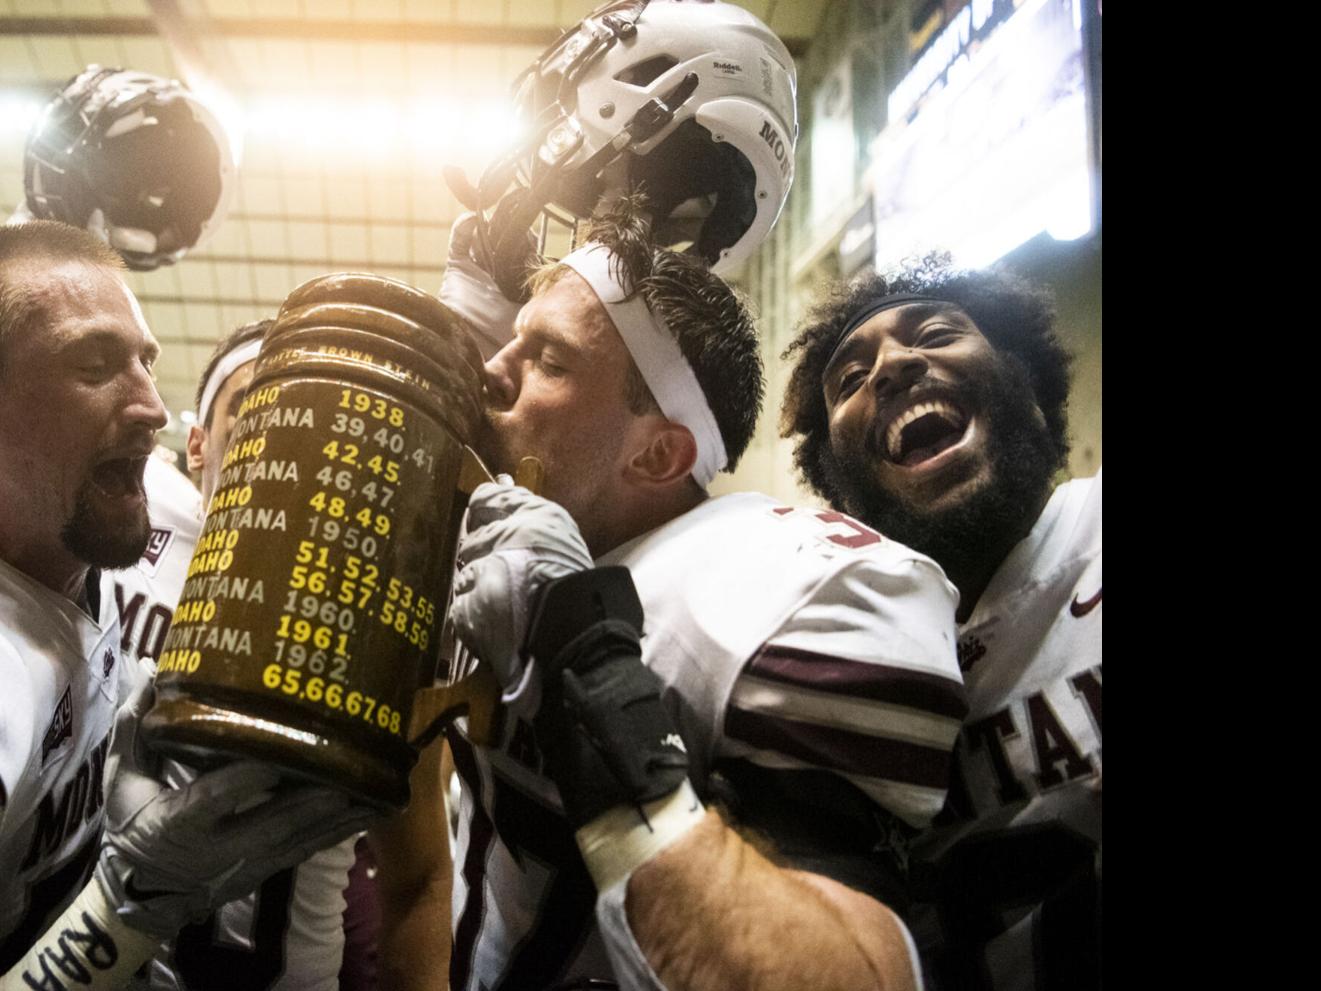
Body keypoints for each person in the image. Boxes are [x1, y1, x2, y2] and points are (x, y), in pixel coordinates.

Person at [442, 209, 967, 991]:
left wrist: (592, 673)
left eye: (547, 357)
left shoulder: (792, 584)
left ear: (659, 452)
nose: (496, 369)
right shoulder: (506, 526)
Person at [0, 221, 371, 991]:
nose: (150, 407)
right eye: (94, 363)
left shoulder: (82, 538)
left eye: (147, 361)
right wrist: (125, 909)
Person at [779, 255, 1101, 990]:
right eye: (849, 379)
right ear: (838, 480)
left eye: (932, 332)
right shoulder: (827, 648)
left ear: (1024, 384)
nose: (891, 364)